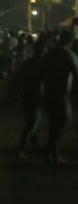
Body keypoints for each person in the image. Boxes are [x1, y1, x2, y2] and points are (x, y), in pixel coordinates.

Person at [41, 29, 78, 164]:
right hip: (61, 93)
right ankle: (48, 148)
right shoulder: (69, 55)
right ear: (71, 40)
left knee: (53, 123)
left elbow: (42, 72)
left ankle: (54, 155)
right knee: (64, 121)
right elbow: (76, 74)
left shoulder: (49, 54)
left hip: (48, 91)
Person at [11, 38, 46, 158]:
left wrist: (16, 93)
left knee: (31, 120)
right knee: (33, 122)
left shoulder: (27, 62)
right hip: (36, 95)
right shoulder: (43, 63)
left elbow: (17, 77)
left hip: (25, 94)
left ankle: (36, 147)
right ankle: (20, 148)